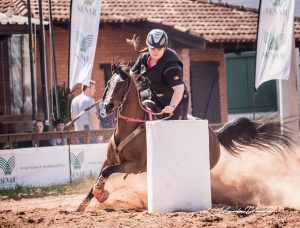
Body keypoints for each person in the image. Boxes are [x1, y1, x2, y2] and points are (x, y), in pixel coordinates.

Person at [130, 29, 189, 120]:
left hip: (175, 101)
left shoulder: (171, 65)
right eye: (153, 48)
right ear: (148, 46)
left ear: (164, 47)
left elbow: (179, 89)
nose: (156, 51)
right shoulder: (143, 57)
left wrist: (171, 107)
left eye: (159, 48)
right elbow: (132, 75)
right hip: (155, 97)